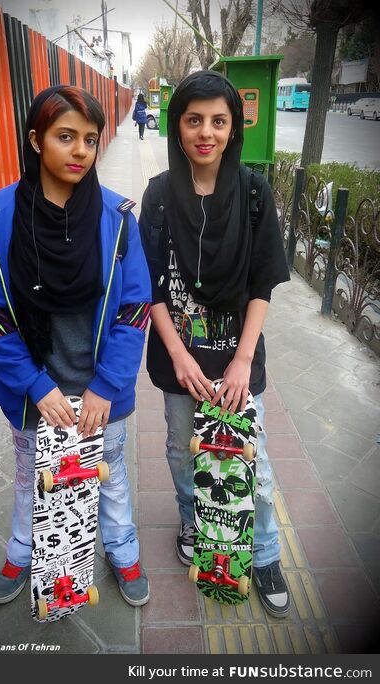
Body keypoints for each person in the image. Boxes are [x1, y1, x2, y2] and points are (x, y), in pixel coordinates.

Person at [0, 85, 152, 608]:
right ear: (35, 140)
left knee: (110, 474)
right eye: (65, 136)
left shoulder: (117, 218)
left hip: (101, 389)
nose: (80, 151)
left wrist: (106, 386)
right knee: (34, 475)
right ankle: (23, 549)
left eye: (90, 140)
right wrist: (36, 385)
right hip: (34, 391)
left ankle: (122, 550)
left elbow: (134, 309)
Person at [138, 70, 291, 618]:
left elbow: (263, 282)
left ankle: (266, 553)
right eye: (194, 119)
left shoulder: (254, 192)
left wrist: (243, 360)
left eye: (219, 121)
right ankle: (192, 520)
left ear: (234, 128)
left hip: (238, 359)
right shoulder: (157, 196)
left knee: (256, 461)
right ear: (176, 126)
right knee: (183, 449)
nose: (206, 132)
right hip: (179, 360)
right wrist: (179, 356)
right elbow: (149, 285)